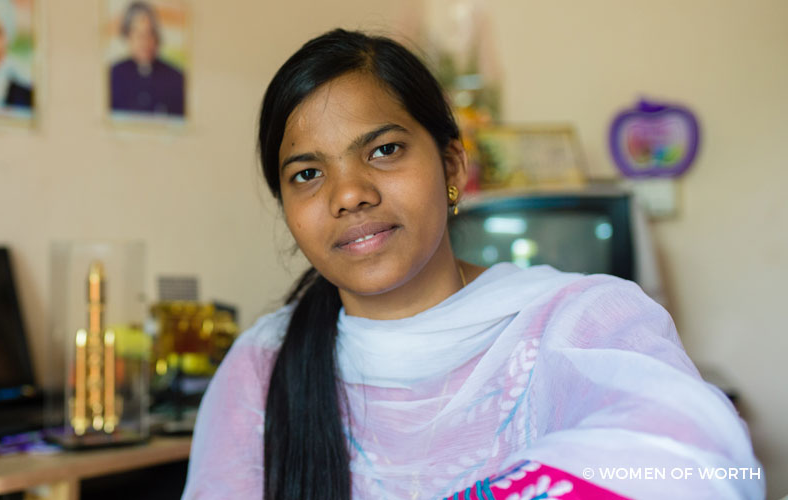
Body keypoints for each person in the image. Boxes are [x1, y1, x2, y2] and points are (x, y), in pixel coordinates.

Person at [181, 29, 764, 499]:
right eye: (307, 174)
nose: (348, 193)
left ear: (453, 168)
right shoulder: (261, 367)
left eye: (383, 150)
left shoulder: (576, 321)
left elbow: (697, 457)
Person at [109, 1, 185, 117]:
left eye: (149, 34)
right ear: (128, 36)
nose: (144, 42)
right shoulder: (113, 74)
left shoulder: (176, 77)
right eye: (139, 35)